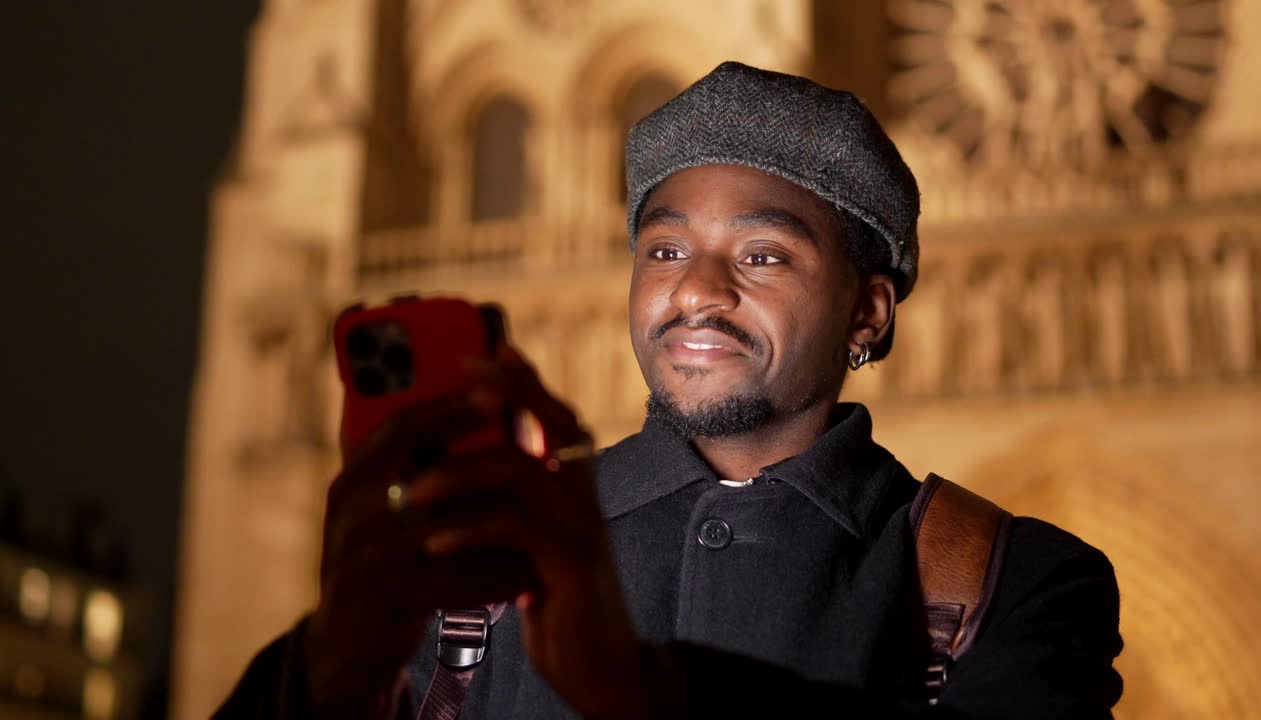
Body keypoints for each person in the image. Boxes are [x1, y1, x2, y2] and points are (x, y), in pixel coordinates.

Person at [217, 62, 1123, 719]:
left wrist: (641, 692)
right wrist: (319, 671)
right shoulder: (478, 563)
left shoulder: (1016, 581)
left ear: (868, 312)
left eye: (762, 255)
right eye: (665, 249)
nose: (697, 289)